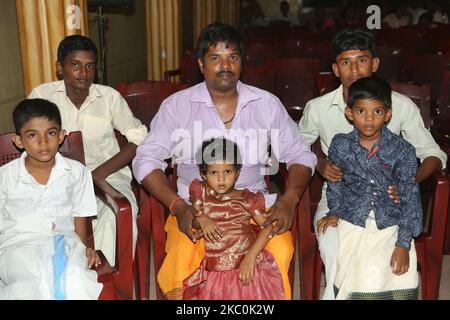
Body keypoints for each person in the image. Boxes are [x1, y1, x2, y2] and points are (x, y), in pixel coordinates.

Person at [132, 22, 316, 300]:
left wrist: (289, 199)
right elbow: (146, 159)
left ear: (242, 63)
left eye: (233, 57)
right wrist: (178, 206)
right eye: (215, 58)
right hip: (195, 212)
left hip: (254, 210)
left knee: (279, 251)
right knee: (183, 258)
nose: (225, 65)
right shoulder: (177, 106)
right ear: (201, 64)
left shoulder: (265, 105)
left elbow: (300, 154)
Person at [298, 27, 447, 300]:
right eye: (346, 62)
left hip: (391, 197)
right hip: (339, 196)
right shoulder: (317, 107)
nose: (354, 68)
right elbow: (295, 148)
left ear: (374, 64)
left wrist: (408, 183)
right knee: (334, 245)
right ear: (335, 68)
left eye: (362, 60)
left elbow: (434, 154)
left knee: (385, 254)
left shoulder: (400, 106)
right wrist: (319, 163)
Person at [28, 35, 148, 266]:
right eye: (75, 65)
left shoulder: (109, 97)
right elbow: (30, 140)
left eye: (90, 66)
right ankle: (71, 279)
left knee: (117, 216)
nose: (83, 73)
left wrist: (97, 174)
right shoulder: (41, 96)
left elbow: (138, 138)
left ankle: (109, 278)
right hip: (55, 178)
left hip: (107, 175)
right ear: (59, 67)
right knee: (47, 228)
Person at [317, 77, 422, 299]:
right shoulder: (340, 144)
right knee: (355, 265)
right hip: (352, 217)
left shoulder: (402, 150)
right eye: (361, 111)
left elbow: (410, 197)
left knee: (394, 268)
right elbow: (335, 183)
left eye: (377, 112)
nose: (369, 119)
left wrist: (403, 243)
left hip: (391, 221)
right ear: (349, 112)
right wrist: (334, 211)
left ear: (389, 114)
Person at [0, 99, 103, 299]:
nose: (43, 142)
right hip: (17, 247)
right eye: (32, 135)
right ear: (18, 141)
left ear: (62, 135)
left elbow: (80, 217)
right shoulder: (5, 177)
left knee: (76, 279)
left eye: (51, 133)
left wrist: (85, 249)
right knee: (31, 284)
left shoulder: (77, 172)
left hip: (64, 243)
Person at [183, 138, 285, 300]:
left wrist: (250, 258)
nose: (221, 179)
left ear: (237, 172)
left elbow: (267, 227)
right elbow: (194, 223)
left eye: (227, 172)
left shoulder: (247, 199)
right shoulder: (200, 193)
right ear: (203, 174)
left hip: (246, 266)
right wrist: (202, 218)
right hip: (215, 271)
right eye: (213, 172)